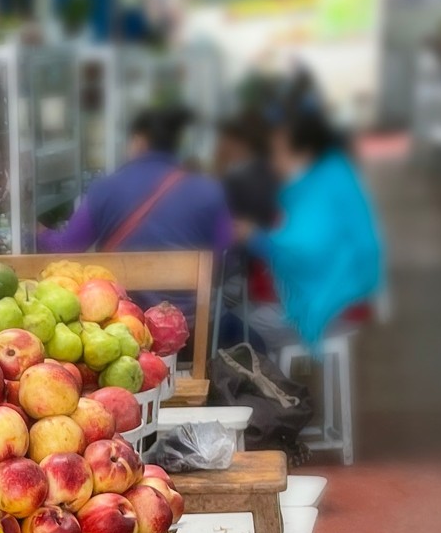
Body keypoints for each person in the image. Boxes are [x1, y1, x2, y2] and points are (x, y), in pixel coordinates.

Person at [242, 108, 383, 353]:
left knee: (244, 318)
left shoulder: (314, 192)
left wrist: (254, 238)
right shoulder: (335, 176)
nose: (273, 163)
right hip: (351, 295)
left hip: (334, 305)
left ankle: (274, 385)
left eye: (278, 154)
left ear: (304, 154)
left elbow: (302, 251)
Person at [38, 104, 234, 254]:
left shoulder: (104, 189)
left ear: (139, 141)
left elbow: (68, 248)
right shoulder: (209, 190)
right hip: (188, 307)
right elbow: (222, 253)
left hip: (119, 305)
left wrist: (36, 231)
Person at [216, 113, 280, 230]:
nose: (219, 145)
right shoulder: (274, 173)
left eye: (223, 139)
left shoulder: (235, 181)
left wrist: (219, 168)